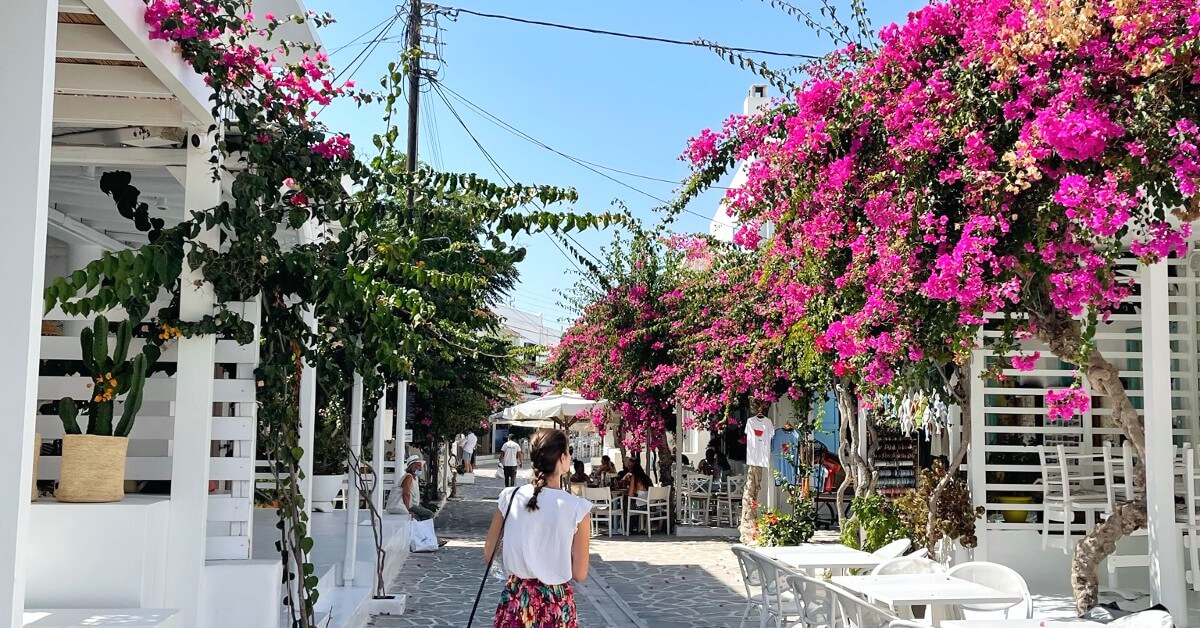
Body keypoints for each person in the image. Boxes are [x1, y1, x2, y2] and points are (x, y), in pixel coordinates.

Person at [484, 429, 591, 627]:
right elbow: (579, 573)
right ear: (561, 458)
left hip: (517, 598)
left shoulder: (510, 496)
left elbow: (489, 553)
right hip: (556, 602)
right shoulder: (578, 509)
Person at [397, 456, 436, 522]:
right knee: (429, 515)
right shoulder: (409, 477)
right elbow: (405, 494)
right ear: (412, 467)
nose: (421, 468)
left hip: (414, 505)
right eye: (418, 466)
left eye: (421, 466)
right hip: (410, 505)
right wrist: (407, 511)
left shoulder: (415, 477)